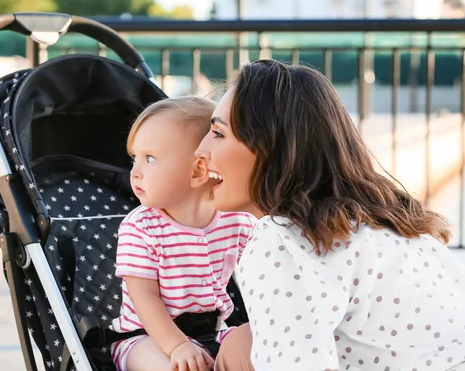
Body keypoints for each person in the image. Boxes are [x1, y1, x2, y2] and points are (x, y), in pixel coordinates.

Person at [194, 59, 465, 371]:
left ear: (271, 145)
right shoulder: (394, 218)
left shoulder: (282, 239)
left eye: (217, 133)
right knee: (243, 341)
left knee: (238, 346)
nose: (200, 150)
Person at [110, 96, 256, 371]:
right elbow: (144, 298)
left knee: (256, 351)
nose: (135, 172)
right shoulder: (140, 228)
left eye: (149, 159)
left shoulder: (236, 220)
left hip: (213, 331)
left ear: (199, 170)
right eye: (135, 158)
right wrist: (177, 345)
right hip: (145, 337)